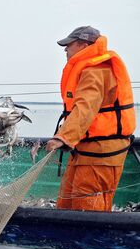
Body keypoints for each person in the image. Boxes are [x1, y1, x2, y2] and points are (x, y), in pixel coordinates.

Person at [46, 26, 136, 211]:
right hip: (85, 151)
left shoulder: (95, 71)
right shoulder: (91, 68)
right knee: (66, 204)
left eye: (68, 45)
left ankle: (90, 241)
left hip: (100, 154)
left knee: (87, 208)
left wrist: (63, 137)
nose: (65, 49)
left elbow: (85, 109)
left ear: (83, 45)